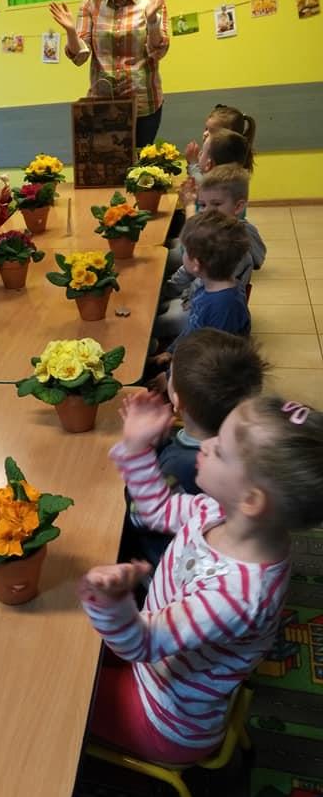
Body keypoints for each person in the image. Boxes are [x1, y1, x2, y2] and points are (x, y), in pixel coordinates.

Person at [80, 392, 323, 764]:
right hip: (154, 652)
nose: (205, 444)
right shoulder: (220, 512)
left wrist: (109, 603)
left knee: (58, 694)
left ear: (251, 500)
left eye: (220, 450)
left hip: (163, 717)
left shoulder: (237, 597)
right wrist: (137, 447)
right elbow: (159, 510)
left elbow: (142, 643)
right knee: (68, 646)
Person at [120, 329, 267, 568]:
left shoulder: (183, 465)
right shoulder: (245, 447)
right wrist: (159, 441)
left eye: (170, 375)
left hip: (163, 559)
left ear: (176, 400)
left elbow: (141, 515)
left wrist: (138, 448)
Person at [49, 0, 170, 146]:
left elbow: (158, 51)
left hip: (145, 104)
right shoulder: (91, 5)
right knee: (108, 165)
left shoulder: (152, 0)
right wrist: (71, 32)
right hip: (103, 106)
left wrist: (152, 20)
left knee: (142, 165)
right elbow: (80, 57)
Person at [156, 165, 265, 341]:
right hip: (198, 296)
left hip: (209, 307)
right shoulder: (210, 231)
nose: (206, 211)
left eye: (216, 204)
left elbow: (203, 283)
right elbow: (188, 269)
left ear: (238, 206)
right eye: (203, 205)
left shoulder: (235, 245)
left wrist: (181, 296)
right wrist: (168, 290)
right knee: (155, 305)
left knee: (156, 324)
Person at [185, 103, 256, 181]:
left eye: (212, 131)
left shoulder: (225, 160)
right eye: (206, 129)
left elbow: (206, 186)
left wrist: (193, 164)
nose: (205, 134)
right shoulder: (207, 153)